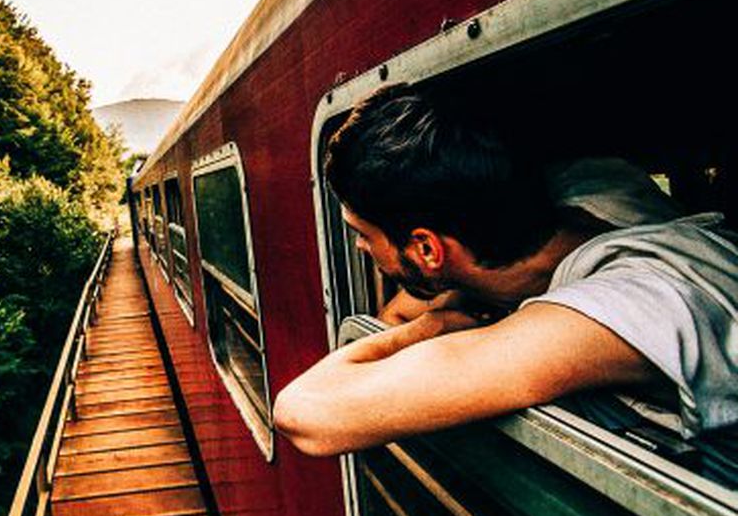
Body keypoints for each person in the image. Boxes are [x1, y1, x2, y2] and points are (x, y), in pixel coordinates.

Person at [273, 85, 738, 479]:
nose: (359, 249)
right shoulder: (600, 188)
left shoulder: (620, 310)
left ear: (428, 250)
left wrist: (423, 334)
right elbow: (399, 309)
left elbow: (305, 413)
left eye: (363, 234)